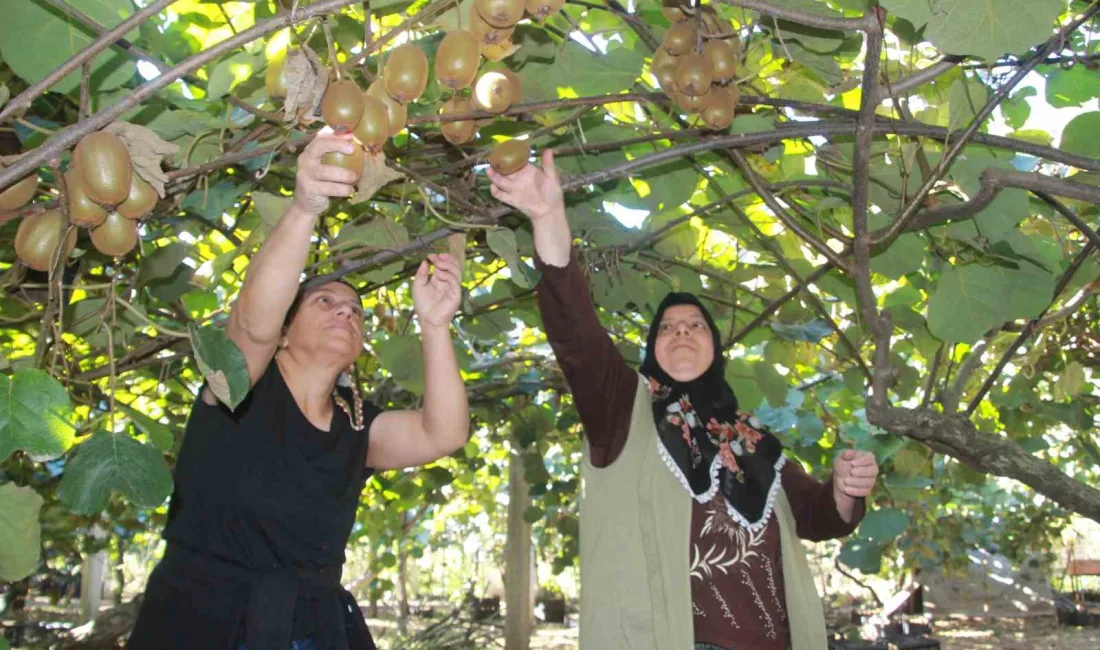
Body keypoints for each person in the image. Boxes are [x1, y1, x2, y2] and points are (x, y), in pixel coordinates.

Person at [488, 150, 879, 650]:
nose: (682, 333)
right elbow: (577, 337)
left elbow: (815, 516)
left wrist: (846, 489)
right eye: (668, 328)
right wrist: (547, 217)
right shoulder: (622, 409)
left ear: (716, 348)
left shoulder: (752, 438)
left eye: (696, 326)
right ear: (652, 349)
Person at [127, 133, 469, 650]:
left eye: (355, 311)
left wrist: (436, 324)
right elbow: (252, 325)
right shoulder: (239, 388)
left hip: (309, 632)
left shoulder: (357, 424)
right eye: (325, 300)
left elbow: (442, 433)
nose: (345, 312)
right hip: (202, 625)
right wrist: (305, 205)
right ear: (285, 331)